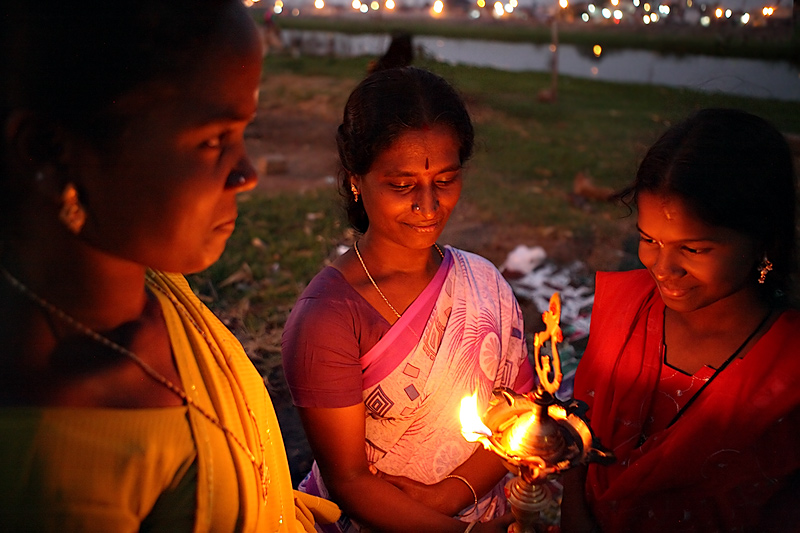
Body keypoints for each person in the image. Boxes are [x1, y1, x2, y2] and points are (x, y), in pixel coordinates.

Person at [0, 2, 338, 531]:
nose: (247, 173)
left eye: (243, 133)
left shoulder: (155, 288)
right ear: (50, 151)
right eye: (213, 140)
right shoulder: (53, 459)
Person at [281, 66, 533, 533]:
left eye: (445, 180)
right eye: (402, 185)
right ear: (356, 178)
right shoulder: (328, 317)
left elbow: (520, 414)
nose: (428, 205)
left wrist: (451, 493)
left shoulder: (483, 282)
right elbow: (350, 482)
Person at [563, 108, 800, 532]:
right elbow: (582, 442)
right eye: (649, 239)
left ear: (764, 239)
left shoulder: (788, 373)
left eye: (694, 249)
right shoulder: (625, 310)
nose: (663, 268)